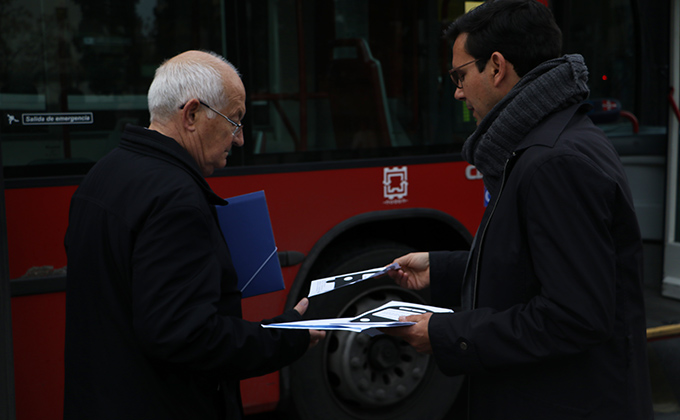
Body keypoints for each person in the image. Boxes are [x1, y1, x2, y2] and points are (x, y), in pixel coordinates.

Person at [384, 1, 654, 419]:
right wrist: (444, 267)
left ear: (496, 67)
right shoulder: (543, 142)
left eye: (460, 75)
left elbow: (574, 316)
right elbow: (531, 268)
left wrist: (445, 333)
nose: (457, 91)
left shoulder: (553, 161)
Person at [63, 50, 325, 420]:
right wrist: (282, 338)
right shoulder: (176, 199)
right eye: (234, 121)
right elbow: (185, 335)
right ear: (191, 115)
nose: (240, 140)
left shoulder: (103, 173)